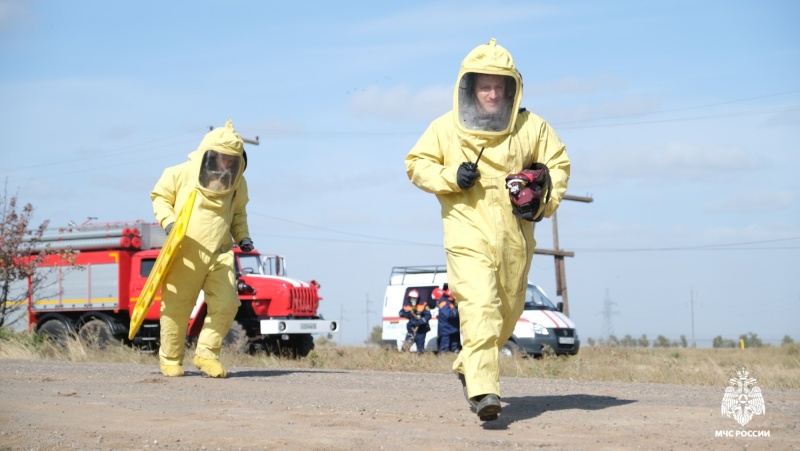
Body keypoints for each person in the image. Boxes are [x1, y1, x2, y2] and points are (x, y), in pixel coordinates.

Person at [405, 39, 570, 421]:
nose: (492, 93)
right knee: (480, 306)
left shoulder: (532, 126)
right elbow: (416, 164)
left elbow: (558, 164)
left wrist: (542, 191)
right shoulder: (446, 128)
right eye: (485, 86)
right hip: (466, 233)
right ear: (470, 88)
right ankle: (484, 392)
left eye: (499, 86)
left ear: (511, 88)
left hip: (516, 239)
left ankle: (469, 363)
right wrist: (451, 176)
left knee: (505, 314)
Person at [151, 119, 254, 378]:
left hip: (220, 252)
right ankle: (171, 359)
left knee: (228, 303)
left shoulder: (238, 183)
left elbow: (239, 213)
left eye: (232, 159)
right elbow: (160, 197)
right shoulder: (179, 173)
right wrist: (169, 222)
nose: (227, 163)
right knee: (176, 306)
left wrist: (243, 237)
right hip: (185, 251)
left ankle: (207, 354)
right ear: (209, 154)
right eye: (222, 158)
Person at [436, 289, 461, 353]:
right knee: (444, 346)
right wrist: (457, 311)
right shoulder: (444, 303)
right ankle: (443, 358)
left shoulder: (448, 302)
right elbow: (449, 315)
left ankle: (452, 356)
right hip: (446, 328)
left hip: (452, 328)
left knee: (454, 345)